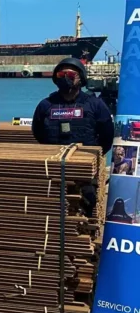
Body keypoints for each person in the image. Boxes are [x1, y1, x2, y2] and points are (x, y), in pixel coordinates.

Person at [31, 58, 114, 217]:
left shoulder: (95, 105)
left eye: (70, 74)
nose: (65, 77)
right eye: (61, 74)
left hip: (84, 169)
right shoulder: (46, 105)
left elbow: (107, 135)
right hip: (54, 167)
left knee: (87, 203)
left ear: (81, 77)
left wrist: (93, 156)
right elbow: (38, 132)